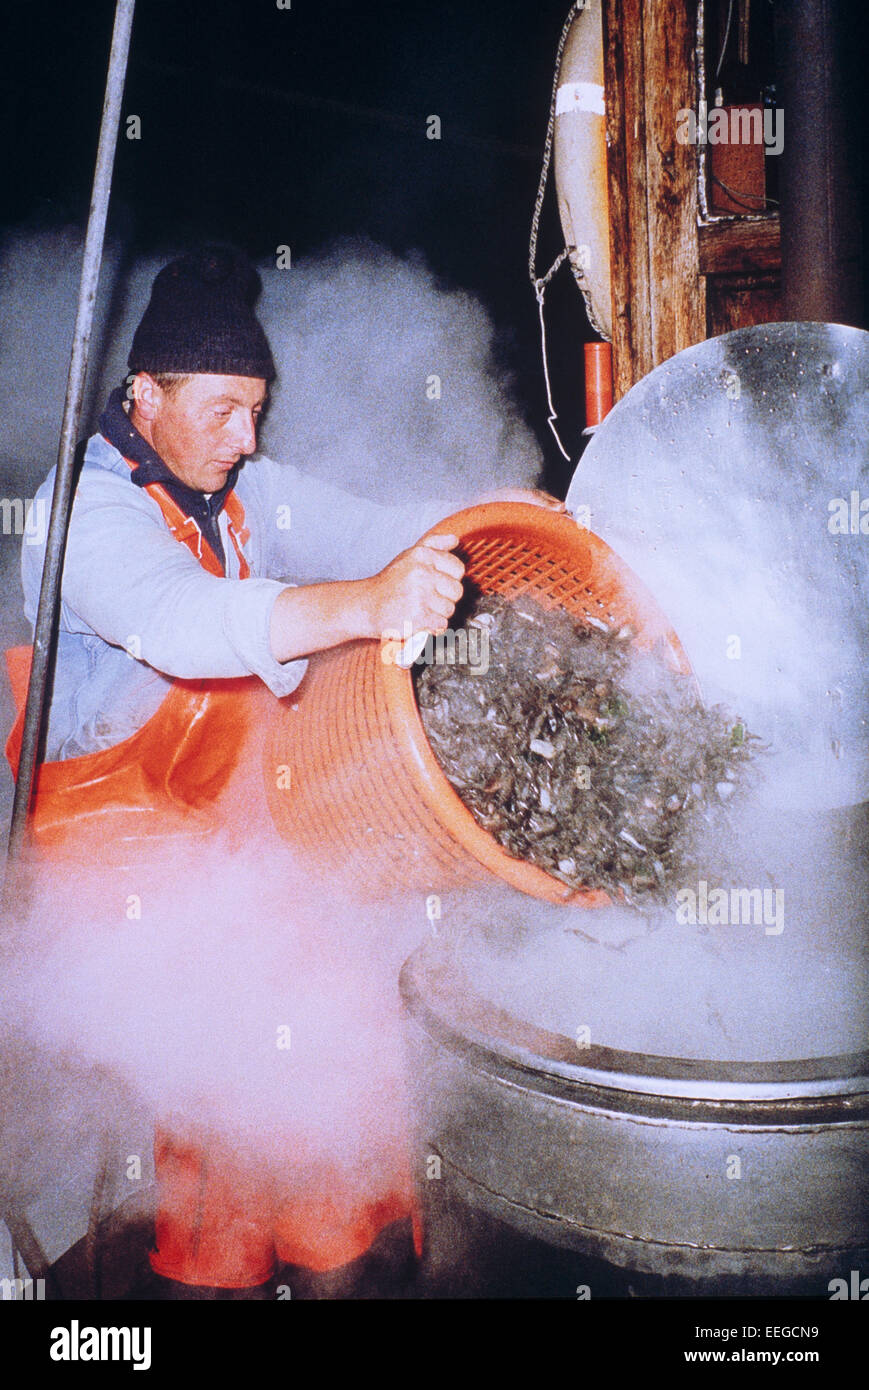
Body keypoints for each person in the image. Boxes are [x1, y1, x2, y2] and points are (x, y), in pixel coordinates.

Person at [17, 244, 564, 1296]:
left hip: (228, 824)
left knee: (333, 1018)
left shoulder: (244, 486)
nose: (247, 436)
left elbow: (374, 529)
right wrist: (363, 605)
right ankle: (224, 1270)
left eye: (256, 410)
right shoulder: (78, 509)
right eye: (223, 410)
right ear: (146, 394)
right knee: (246, 1067)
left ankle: (336, 1250)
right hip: (115, 859)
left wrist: (494, 510)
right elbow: (181, 622)